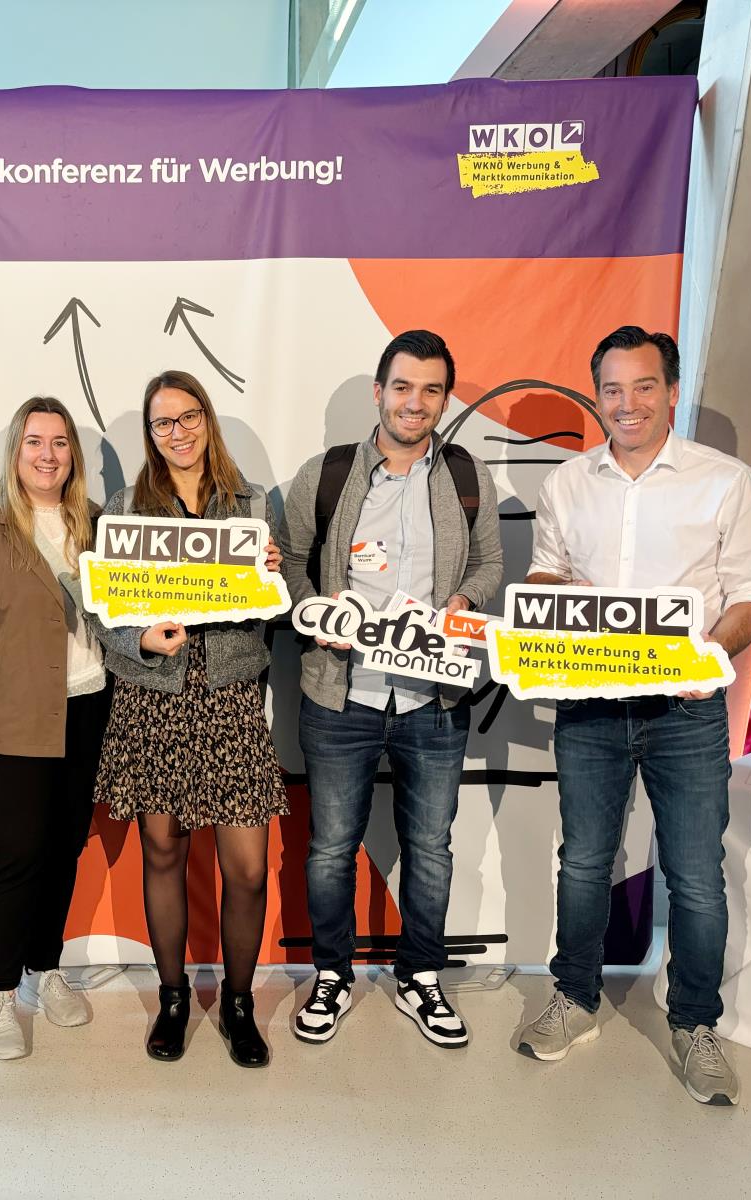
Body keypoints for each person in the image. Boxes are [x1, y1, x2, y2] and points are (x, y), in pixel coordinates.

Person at [516, 326, 751, 1107]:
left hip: (685, 713)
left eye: (643, 386)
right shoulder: (568, 483)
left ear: (671, 390)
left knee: (695, 875)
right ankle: (576, 999)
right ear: (596, 395)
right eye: (612, 389)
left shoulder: (724, 480)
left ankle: (695, 1024)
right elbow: (546, 573)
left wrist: (707, 657)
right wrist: (552, 604)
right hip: (589, 703)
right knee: (583, 862)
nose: (626, 404)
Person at [281, 329, 503, 1048]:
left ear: (445, 399)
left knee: (431, 848)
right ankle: (332, 974)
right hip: (340, 693)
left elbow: (490, 563)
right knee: (330, 848)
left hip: (432, 699)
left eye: (432, 390)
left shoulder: (466, 475)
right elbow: (289, 561)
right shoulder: (327, 473)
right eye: (403, 386)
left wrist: (464, 601)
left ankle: (420, 976)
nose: (415, 402)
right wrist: (314, 613)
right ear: (380, 391)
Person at [87, 369, 288, 1068]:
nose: (177, 432)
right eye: (162, 423)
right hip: (155, 697)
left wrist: (272, 572)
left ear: (207, 418)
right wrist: (138, 640)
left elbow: (278, 604)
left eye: (188, 416)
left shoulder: (252, 503)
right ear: (150, 434)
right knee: (164, 851)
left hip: (231, 695)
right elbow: (103, 608)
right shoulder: (125, 507)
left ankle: (238, 1002)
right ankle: (173, 998)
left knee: (248, 868)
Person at [0, 396, 111, 1060]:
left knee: (65, 849)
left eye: (60, 442)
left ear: (73, 454)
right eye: (35, 442)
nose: (48, 455)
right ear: (16, 452)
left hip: (89, 708)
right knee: (17, 856)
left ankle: (46, 967)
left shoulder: (98, 525)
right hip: (14, 722)